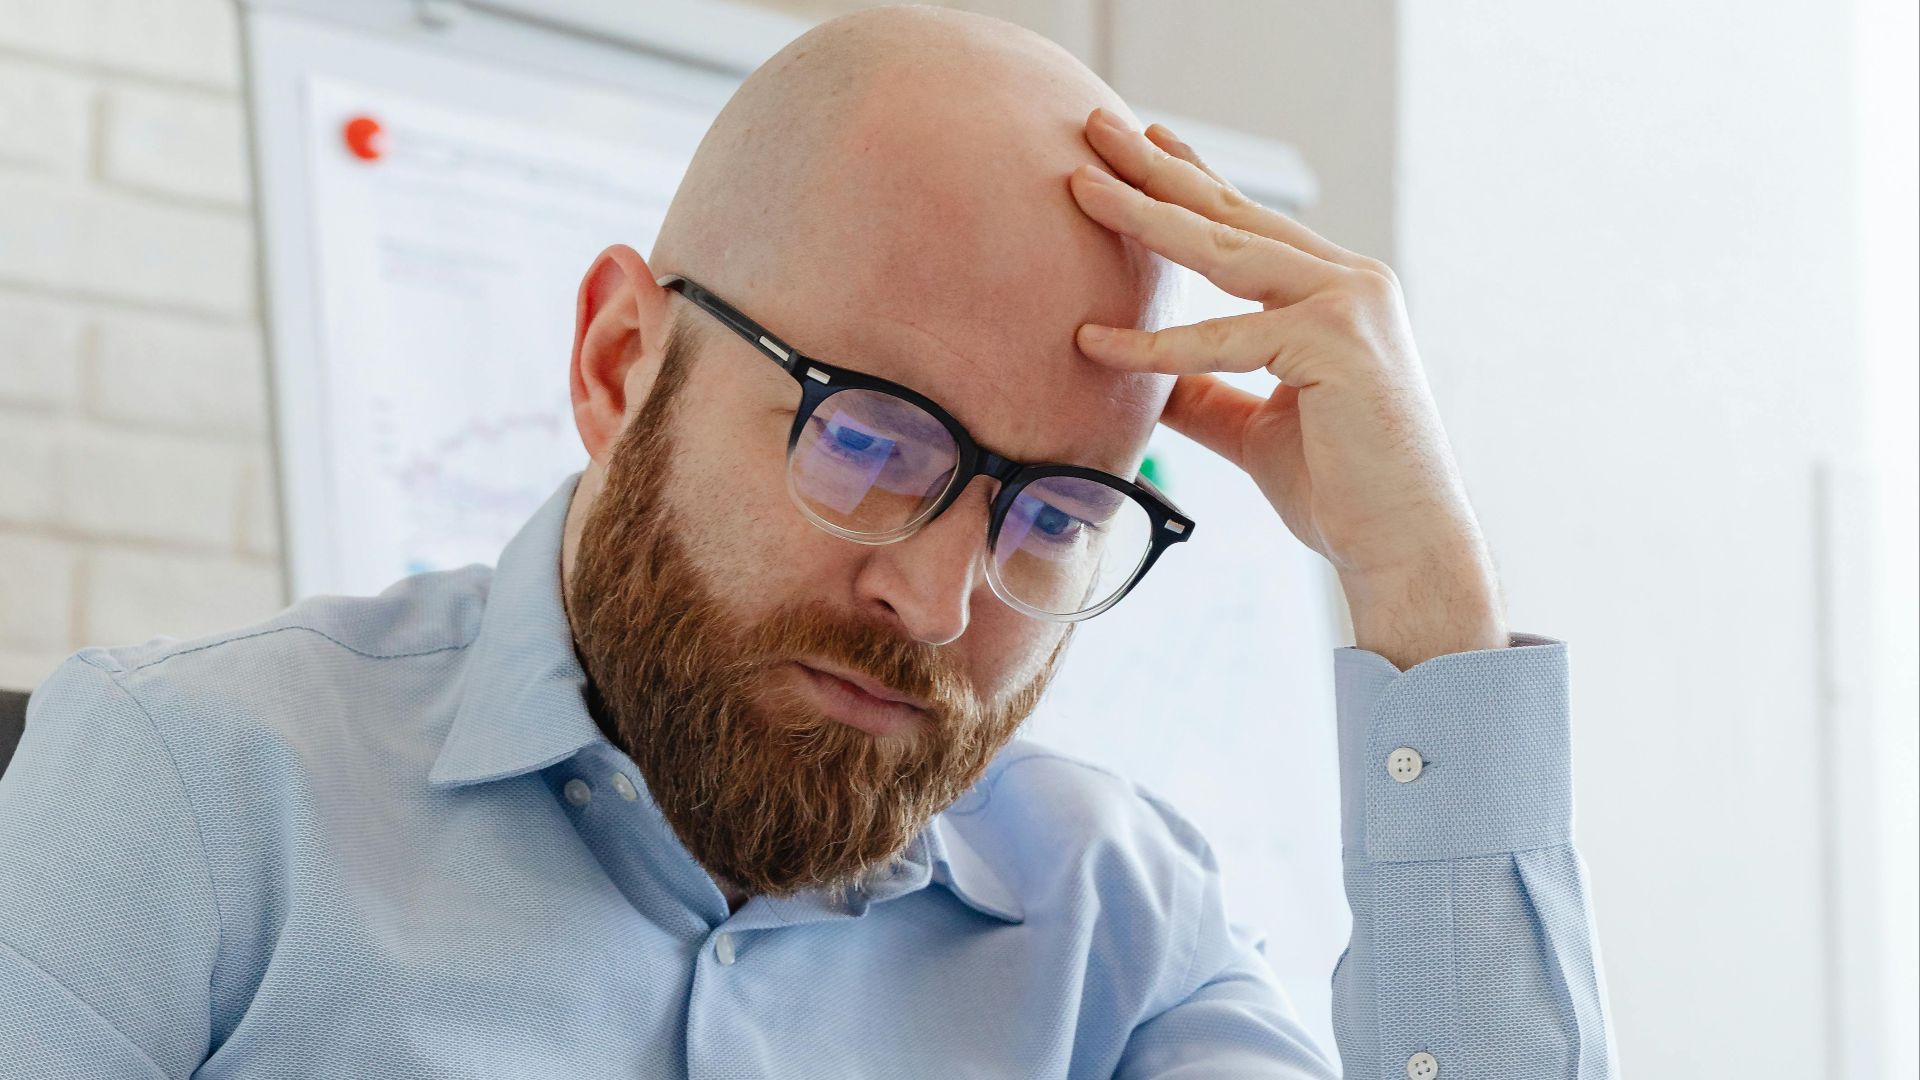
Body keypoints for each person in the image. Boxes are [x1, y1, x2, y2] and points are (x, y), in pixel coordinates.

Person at [0, 6, 1617, 1077]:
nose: (935, 597)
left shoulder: (1118, 933)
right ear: (620, 365)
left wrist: (1426, 601)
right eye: (867, 439)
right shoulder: (194, 790)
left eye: (1053, 514)